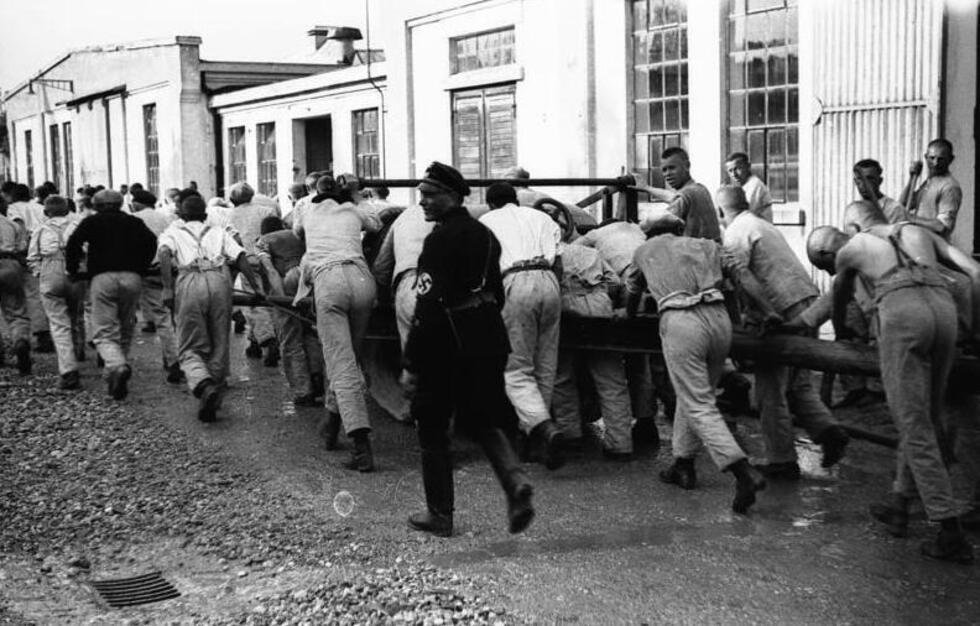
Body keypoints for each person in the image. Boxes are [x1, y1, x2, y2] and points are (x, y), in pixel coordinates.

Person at [829, 218, 980, 563]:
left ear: (832, 247)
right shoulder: (914, 230)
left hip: (902, 312)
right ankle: (900, 500)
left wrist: (841, 333)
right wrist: (972, 328)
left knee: (914, 424)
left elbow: (839, 297)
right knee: (927, 415)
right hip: (944, 310)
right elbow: (975, 272)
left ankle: (949, 529)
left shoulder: (849, 250)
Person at [400, 161, 534, 537]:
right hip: (488, 335)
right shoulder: (484, 234)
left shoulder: (438, 240)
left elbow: (427, 306)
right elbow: (499, 290)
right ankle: (515, 482)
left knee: (431, 423)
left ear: (454, 196)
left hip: (448, 340)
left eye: (431, 195)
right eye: (421, 194)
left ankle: (439, 515)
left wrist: (411, 363)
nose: (423, 201)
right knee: (482, 417)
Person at [625, 210, 766, 513]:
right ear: (678, 230)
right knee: (695, 396)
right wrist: (767, 311)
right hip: (718, 319)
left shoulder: (643, 250)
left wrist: (630, 316)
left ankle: (743, 471)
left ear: (649, 234)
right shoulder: (705, 245)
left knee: (699, 402)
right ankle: (683, 463)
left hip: (681, 320)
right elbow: (741, 276)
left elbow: (632, 292)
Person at [718, 184, 849, 479]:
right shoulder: (762, 225)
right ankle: (829, 432)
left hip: (780, 308)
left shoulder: (737, 232)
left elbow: (741, 278)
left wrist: (755, 317)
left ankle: (782, 460)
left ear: (720, 211)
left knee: (769, 388)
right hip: (805, 299)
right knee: (799, 383)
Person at [295, 174, 380, 472]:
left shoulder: (306, 209)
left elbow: (297, 232)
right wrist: (355, 196)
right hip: (361, 278)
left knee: (340, 363)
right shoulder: (354, 209)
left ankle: (361, 445)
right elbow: (377, 224)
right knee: (350, 358)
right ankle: (332, 421)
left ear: (315, 194)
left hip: (329, 279)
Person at [479, 182, 566, 470]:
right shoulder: (541, 217)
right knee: (545, 364)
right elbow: (559, 264)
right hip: (548, 281)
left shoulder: (487, 221)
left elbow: (484, 268)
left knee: (515, 370)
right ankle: (534, 441)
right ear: (515, 200)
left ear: (490, 203)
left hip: (515, 280)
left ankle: (543, 426)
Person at [158, 195, 262, 421]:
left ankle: (203, 385)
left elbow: (164, 253)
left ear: (181, 215)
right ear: (205, 215)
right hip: (218, 281)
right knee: (219, 339)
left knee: (189, 343)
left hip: (189, 280)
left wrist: (167, 288)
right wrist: (256, 287)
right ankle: (215, 386)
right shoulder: (218, 232)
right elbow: (240, 256)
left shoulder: (173, 232)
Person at [546, 205, 634, 460]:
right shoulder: (589, 252)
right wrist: (597, 295)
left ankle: (570, 435)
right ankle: (621, 444)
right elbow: (615, 283)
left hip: (564, 311)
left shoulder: (547, 255)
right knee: (611, 379)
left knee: (562, 375)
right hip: (598, 310)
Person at [576, 218, 666, 445]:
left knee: (616, 353)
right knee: (642, 357)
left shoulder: (595, 235)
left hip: (629, 280)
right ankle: (646, 420)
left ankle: (601, 422)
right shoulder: (635, 229)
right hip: (657, 279)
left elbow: (572, 250)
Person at [66, 190, 157, 400]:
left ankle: (116, 365)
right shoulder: (134, 222)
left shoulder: (91, 222)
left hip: (102, 277)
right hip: (132, 277)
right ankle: (115, 371)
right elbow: (151, 242)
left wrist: (73, 269)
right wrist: (141, 266)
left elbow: (73, 243)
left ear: (97, 206)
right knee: (126, 326)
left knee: (104, 331)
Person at [256, 215, 325, 406]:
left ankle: (303, 390)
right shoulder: (296, 235)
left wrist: (282, 301)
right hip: (310, 279)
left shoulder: (263, 241)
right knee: (310, 332)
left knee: (290, 338)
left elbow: (271, 271)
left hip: (287, 282)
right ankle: (317, 375)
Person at [27, 195, 85, 389]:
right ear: (67, 210)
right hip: (75, 270)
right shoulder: (77, 225)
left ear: (45, 212)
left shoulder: (41, 229)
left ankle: (68, 370)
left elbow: (32, 257)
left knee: (59, 323)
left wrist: (39, 272)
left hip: (50, 270)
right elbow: (87, 249)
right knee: (76, 315)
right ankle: (78, 350)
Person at [131, 189, 181, 383]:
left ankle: (173, 359)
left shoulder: (134, 218)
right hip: (170, 268)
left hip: (148, 270)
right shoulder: (164, 218)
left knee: (161, 316)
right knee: (174, 315)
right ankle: (173, 355)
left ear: (138, 203)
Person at [228, 182, 280, 366]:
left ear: (233, 199)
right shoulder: (266, 211)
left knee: (255, 302)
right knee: (267, 298)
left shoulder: (229, 215)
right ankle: (254, 341)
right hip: (266, 257)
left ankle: (267, 339)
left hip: (245, 259)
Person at [632, 147, 721, 241]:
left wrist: (634, 229)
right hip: (712, 250)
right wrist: (646, 188)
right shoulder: (700, 189)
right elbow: (671, 196)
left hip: (695, 253)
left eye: (672, 168)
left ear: (687, 166)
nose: (667, 174)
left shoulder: (685, 195)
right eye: (664, 170)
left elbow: (661, 220)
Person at [7, 183, 53, 353]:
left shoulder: (13, 208)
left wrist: (21, 247)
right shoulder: (39, 207)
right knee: (39, 293)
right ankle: (44, 333)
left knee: (24, 295)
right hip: (43, 249)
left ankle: (31, 334)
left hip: (24, 251)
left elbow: (19, 226)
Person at [901, 139, 963, 239]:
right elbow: (903, 204)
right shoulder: (929, 182)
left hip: (934, 248)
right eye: (932, 158)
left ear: (951, 159)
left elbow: (942, 227)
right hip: (918, 241)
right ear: (926, 157)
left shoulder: (949, 187)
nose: (935, 163)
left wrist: (911, 219)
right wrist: (912, 177)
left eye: (941, 159)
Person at [0, 195, 31, 375]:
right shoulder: (12, 224)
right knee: (16, 311)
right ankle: (20, 340)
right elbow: (22, 248)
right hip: (10, 264)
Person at [852, 159, 906, 224]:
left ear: (880, 181)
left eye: (869, 179)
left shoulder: (894, 209)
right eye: (860, 179)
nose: (864, 184)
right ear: (855, 181)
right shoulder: (854, 210)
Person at [725, 152, 773, 222]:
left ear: (748, 166)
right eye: (730, 171)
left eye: (738, 169)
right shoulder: (744, 185)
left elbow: (745, 213)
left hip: (758, 229)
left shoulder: (755, 185)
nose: (734, 174)